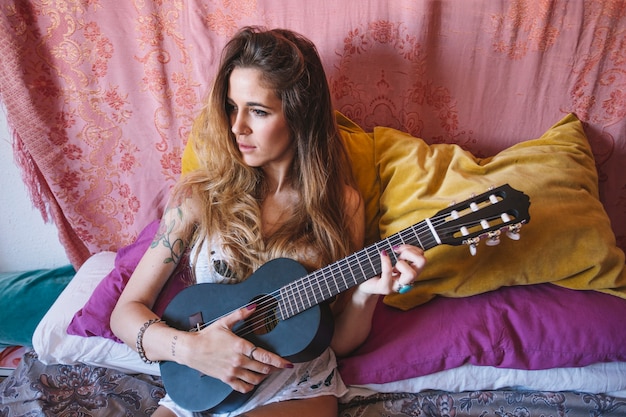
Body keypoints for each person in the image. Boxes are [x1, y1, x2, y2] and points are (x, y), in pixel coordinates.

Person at [110, 26, 426, 417]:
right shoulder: (199, 196)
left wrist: (366, 294)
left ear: (299, 115)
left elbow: (336, 341)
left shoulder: (342, 205)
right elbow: (125, 314)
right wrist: (192, 350)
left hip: (295, 390)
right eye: (230, 106)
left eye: (257, 111)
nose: (237, 126)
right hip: (201, 381)